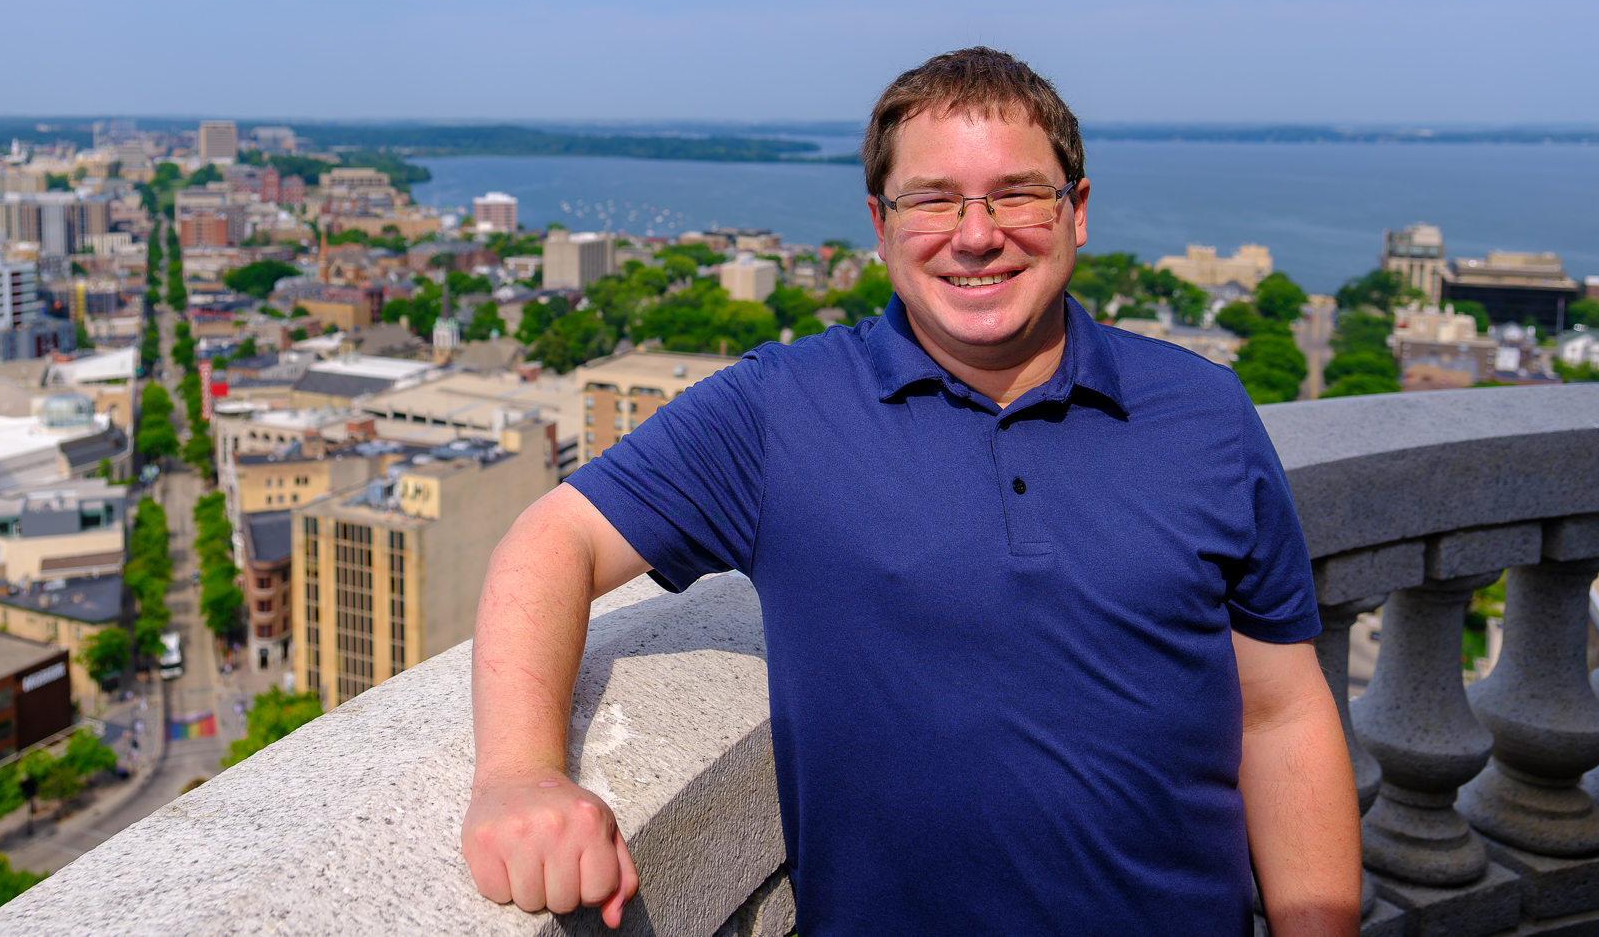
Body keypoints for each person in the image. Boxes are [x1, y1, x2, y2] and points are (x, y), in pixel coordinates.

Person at [461, 48, 1359, 936]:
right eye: (932, 198)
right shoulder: (782, 409)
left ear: (1076, 210)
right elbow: (551, 542)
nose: (976, 233)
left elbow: (1281, 711)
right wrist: (520, 774)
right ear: (881, 223)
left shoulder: (1205, 411)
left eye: (1016, 193)